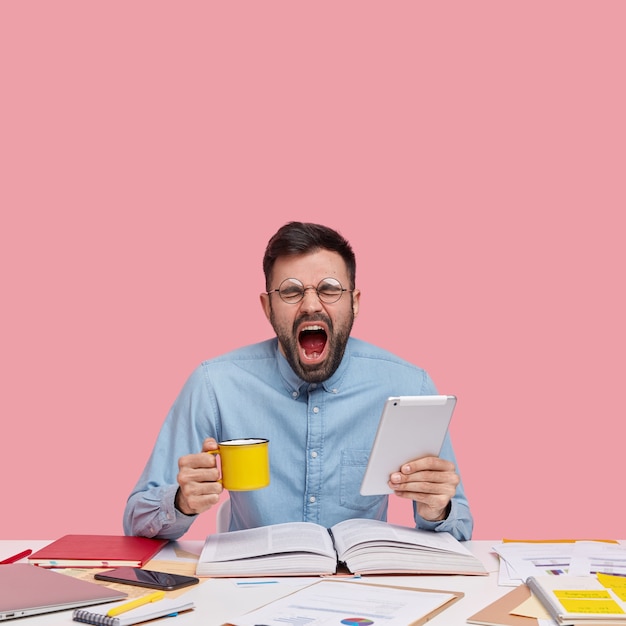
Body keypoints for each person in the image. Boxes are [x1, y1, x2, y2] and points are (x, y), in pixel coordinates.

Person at [123, 222, 473, 541]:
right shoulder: (215, 384)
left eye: (329, 289)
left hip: (361, 588)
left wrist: (436, 509)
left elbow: (460, 527)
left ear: (354, 302)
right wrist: (182, 501)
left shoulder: (408, 385)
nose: (310, 305)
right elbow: (136, 519)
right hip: (248, 588)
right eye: (291, 292)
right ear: (267, 307)